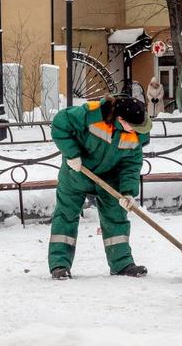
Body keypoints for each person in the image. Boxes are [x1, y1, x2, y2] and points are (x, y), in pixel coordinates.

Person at [48, 95, 152, 279]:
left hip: (110, 178)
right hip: (77, 172)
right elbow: (59, 123)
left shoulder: (137, 132)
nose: (137, 130)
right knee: (66, 216)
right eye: (133, 126)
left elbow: (131, 165)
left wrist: (128, 193)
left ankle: (122, 264)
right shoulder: (92, 113)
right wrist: (72, 154)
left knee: (116, 216)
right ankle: (59, 265)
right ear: (121, 119)